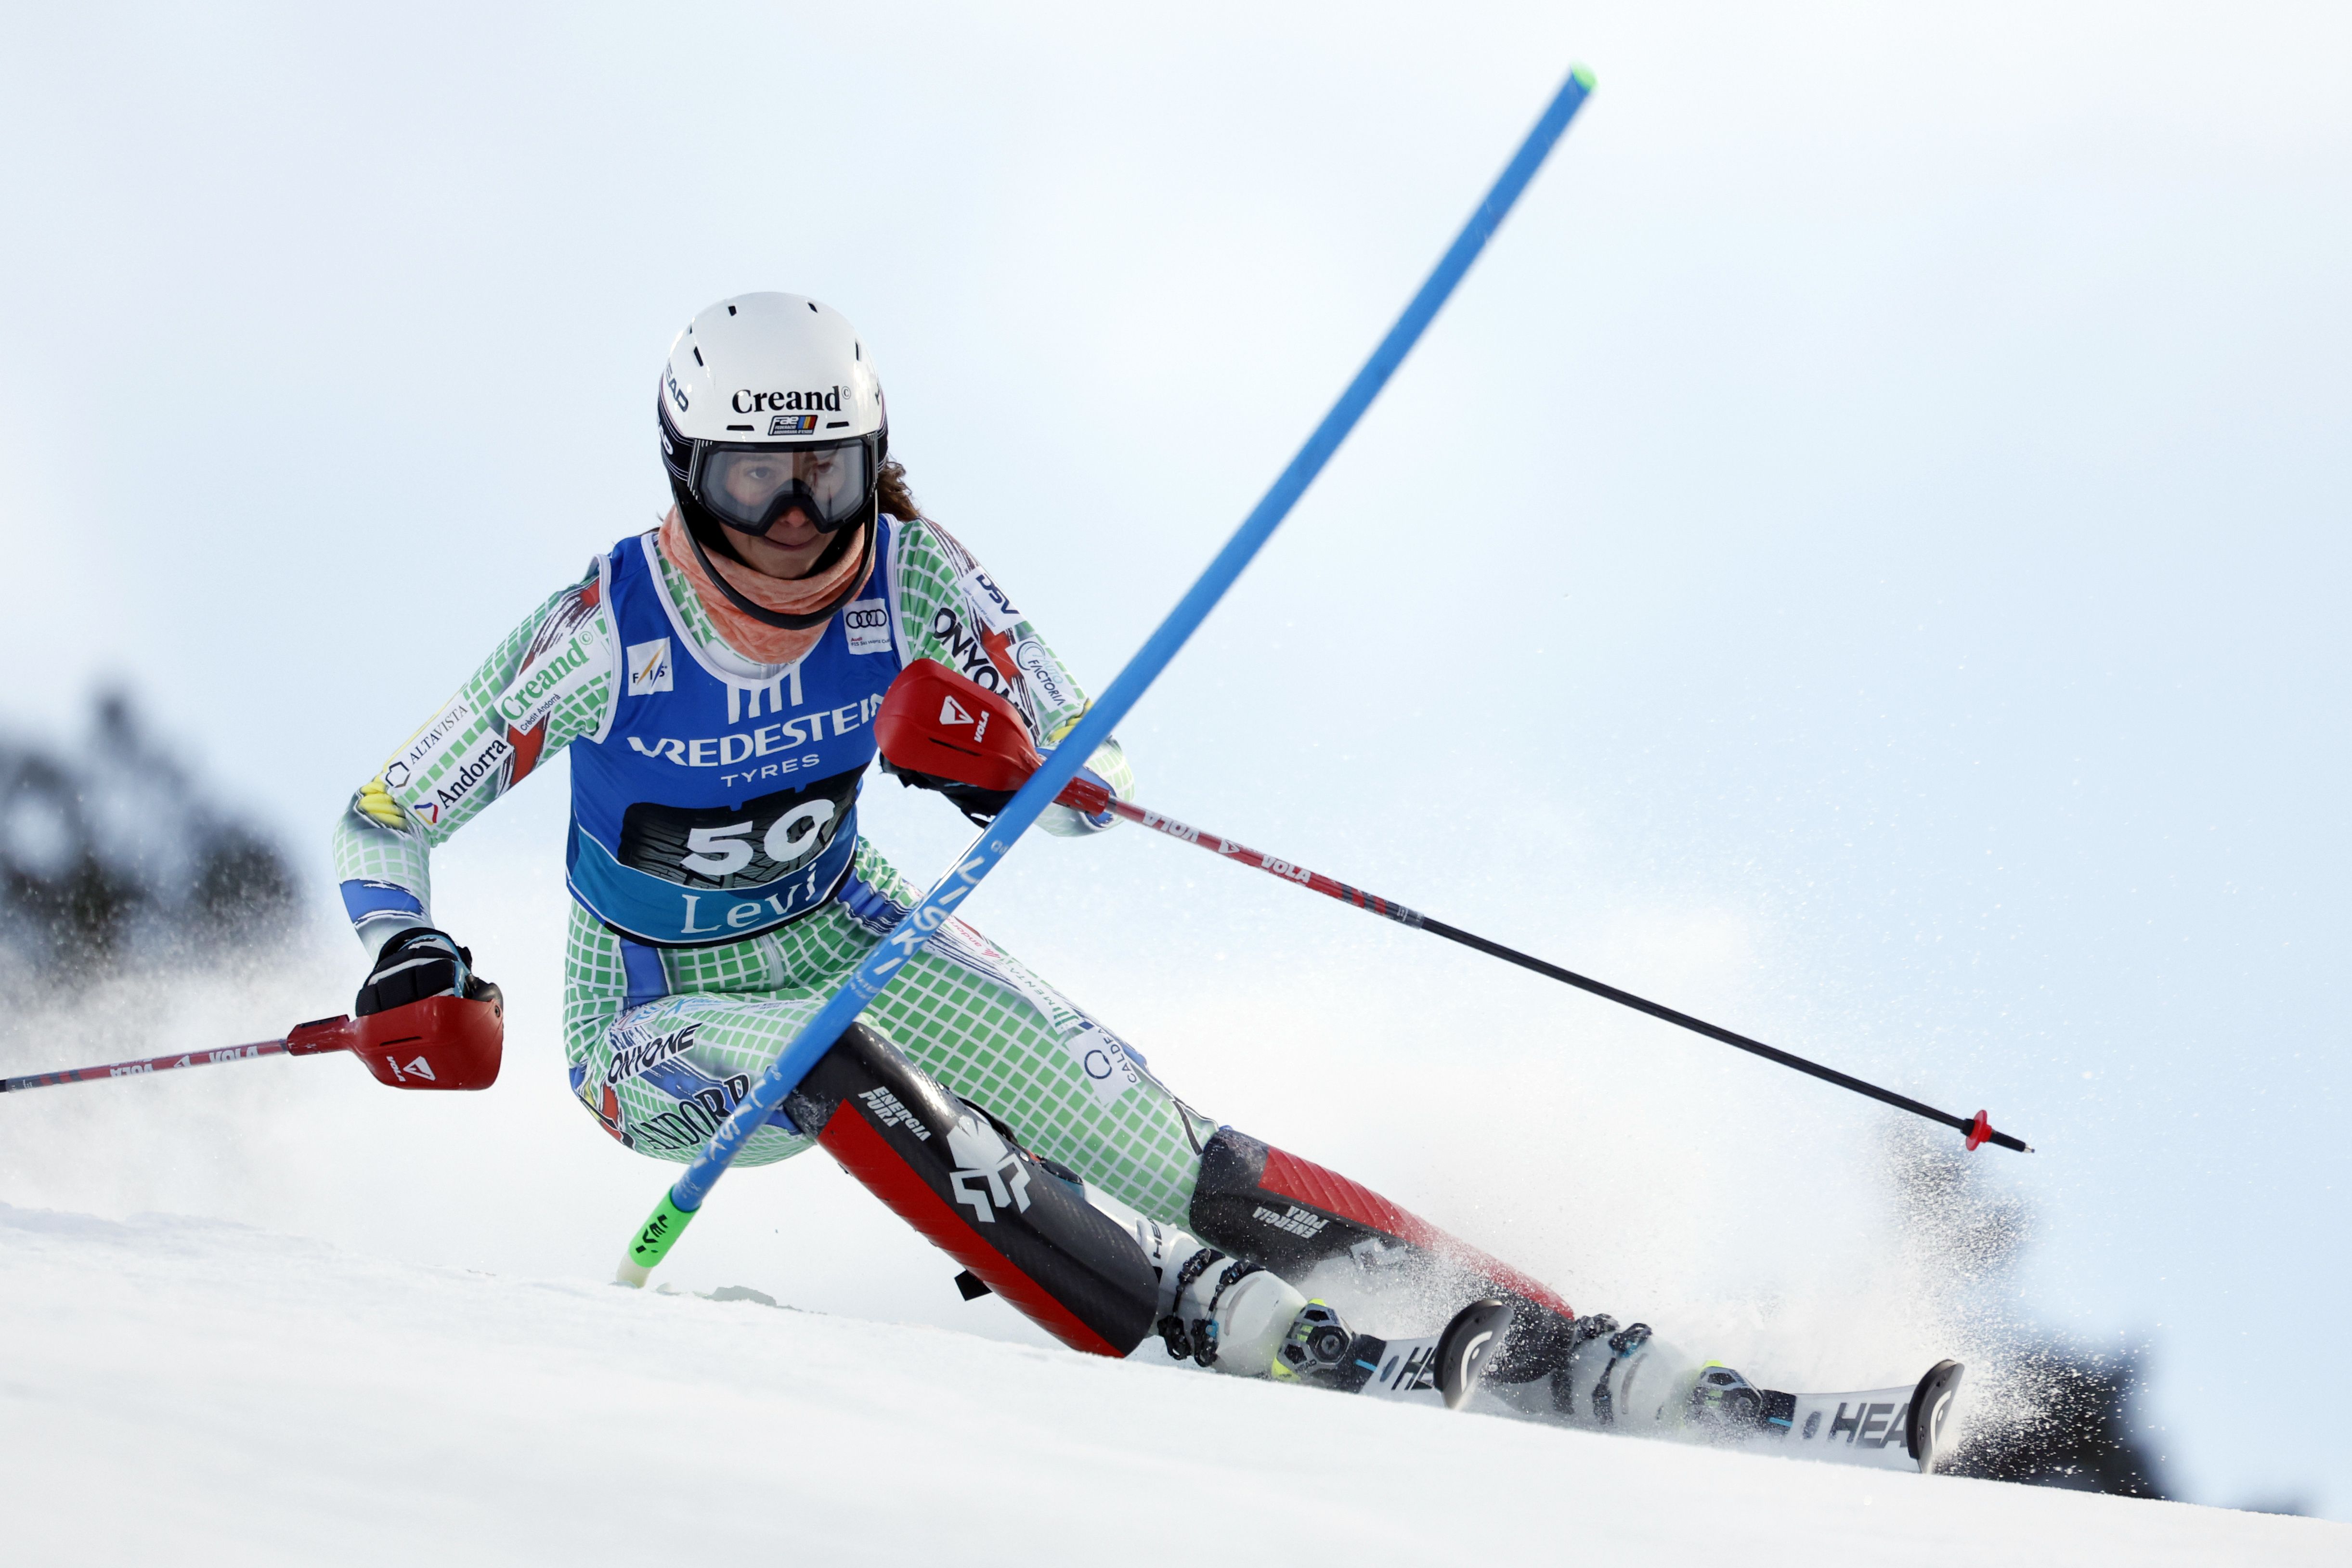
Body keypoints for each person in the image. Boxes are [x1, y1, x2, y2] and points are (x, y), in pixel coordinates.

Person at [333, 290, 1757, 1425]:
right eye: (754, 481)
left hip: (848, 923)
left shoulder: (915, 578)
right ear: (688, 475)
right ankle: (1179, 1305)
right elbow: (390, 812)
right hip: (651, 1010)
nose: (793, 524)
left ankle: (1561, 1347)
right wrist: (407, 948)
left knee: (1157, 1138)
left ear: (869, 462)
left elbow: (1095, 768)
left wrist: (1009, 768)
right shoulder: (608, 629)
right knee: (830, 1052)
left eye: (825, 477)